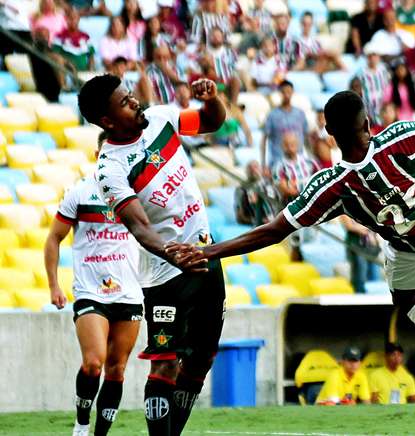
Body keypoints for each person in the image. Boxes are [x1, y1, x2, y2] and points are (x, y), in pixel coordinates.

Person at [167, 45, 415, 409]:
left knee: (410, 305)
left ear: (327, 131)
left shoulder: (329, 186)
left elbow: (270, 232)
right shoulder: (394, 140)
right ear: (368, 122)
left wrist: (207, 251)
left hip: (412, 246)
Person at [78, 74, 227, 436]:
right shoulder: (110, 169)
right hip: (165, 276)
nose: (135, 102)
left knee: (201, 361)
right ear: (107, 121)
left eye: (131, 95)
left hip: (206, 256)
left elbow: (211, 122)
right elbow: (139, 226)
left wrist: (211, 100)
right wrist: (173, 254)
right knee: (164, 366)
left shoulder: (161, 118)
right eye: (125, 102)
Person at [44, 139, 143, 436]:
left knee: (117, 369)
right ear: (97, 154)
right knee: (93, 362)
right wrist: (54, 286)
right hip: (91, 292)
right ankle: (81, 424)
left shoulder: (137, 195)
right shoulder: (80, 191)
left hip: (130, 293)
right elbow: (53, 239)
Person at [261, 80, 308, 170]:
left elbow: (306, 137)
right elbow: (264, 140)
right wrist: (264, 165)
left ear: (293, 93)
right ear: (279, 93)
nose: (286, 95)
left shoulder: (300, 113)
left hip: (298, 162)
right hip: (278, 162)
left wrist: (310, 156)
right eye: (283, 92)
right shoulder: (272, 115)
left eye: (289, 92)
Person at [341, 215, 381, 294]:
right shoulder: (346, 211)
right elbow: (350, 226)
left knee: (374, 274)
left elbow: (376, 225)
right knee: (359, 275)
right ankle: (359, 296)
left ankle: (373, 297)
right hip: (355, 246)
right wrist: (367, 228)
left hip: (371, 247)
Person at [236, 160, 280, 227]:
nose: (253, 170)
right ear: (246, 172)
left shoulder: (269, 185)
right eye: (250, 168)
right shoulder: (241, 190)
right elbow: (240, 217)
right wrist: (260, 221)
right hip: (259, 224)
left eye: (256, 167)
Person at [356, 43, 391, 124]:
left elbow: (388, 87)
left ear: (378, 56)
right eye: (370, 56)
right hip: (368, 110)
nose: (372, 58)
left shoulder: (383, 70)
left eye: (374, 55)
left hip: (383, 109)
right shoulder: (360, 73)